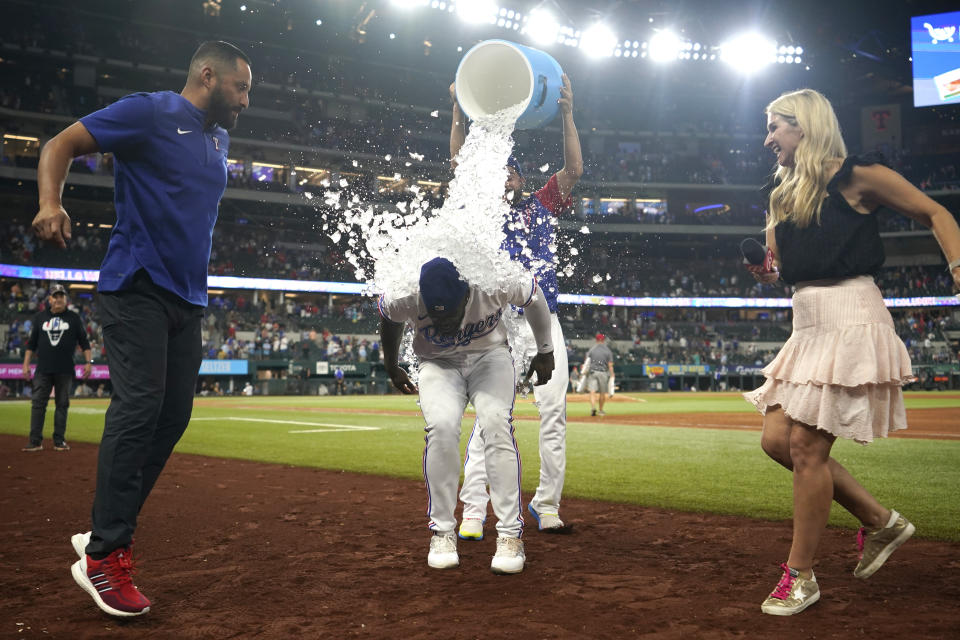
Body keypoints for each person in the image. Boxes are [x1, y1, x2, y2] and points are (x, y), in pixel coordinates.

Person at [31, 40, 251, 617]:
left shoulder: (219, 137)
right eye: (241, 88)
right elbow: (60, 144)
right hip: (135, 285)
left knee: (172, 416)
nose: (246, 101)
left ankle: (106, 529)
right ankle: (106, 556)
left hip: (189, 298)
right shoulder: (150, 112)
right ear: (207, 75)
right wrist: (50, 202)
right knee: (138, 407)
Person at [743, 89, 960, 616]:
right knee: (777, 441)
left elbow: (936, 212)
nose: (767, 138)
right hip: (808, 320)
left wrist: (958, 269)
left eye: (775, 127)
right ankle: (882, 522)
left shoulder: (857, 174)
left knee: (808, 451)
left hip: (852, 316)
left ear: (805, 126)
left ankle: (801, 578)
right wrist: (769, 273)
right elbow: (786, 269)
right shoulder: (782, 193)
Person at [450, 73, 583, 537]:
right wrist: (457, 113)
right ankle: (471, 510)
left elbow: (574, 171)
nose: (500, 177)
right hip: (497, 323)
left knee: (553, 413)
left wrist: (567, 113)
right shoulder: (483, 208)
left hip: (544, 322)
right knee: (491, 417)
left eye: (509, 171)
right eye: (495, 172)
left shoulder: (542, 203)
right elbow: (457, 164)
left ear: (521, 176)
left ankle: (546, 505)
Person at [378, 257, 555, 574]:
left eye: (452, 314)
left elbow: (534, 296)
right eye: (436, 315)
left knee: (496, 423)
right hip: (437, 363)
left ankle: (510, 536)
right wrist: (391, 366)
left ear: (467, 294)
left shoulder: (493, 279)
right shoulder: (403, 292)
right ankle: (442, 532)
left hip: (490, 357)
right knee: (442, 429)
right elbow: (389, 319)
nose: (443, 323)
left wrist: (546, 349)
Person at [21, 283, 92, 452]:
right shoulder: (39, 318)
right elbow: (31, 345)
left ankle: (59, 441)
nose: (59, 299)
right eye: (56, 296)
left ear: (65, 298)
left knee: (62, 405)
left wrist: (89, 363)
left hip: (65, 369)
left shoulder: (74, 318)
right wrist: (25, 364)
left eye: (62, 296)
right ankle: (35, 441)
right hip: (43, 369)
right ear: (49, 299)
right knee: (38, 404)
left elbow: (85, 343)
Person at [582, 333, 615, 417]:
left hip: (592, 372)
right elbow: (610, 365)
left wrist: (584, 373)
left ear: (596, 340)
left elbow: (586, 363)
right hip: (603, 372)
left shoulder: (591, 350)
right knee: (602, 393)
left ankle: (593, 408)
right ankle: (600, 410)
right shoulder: (608, 350)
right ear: (603, 340)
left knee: (592, 392)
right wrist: (612, 374)